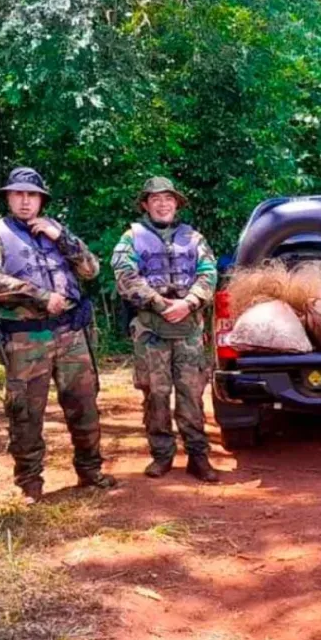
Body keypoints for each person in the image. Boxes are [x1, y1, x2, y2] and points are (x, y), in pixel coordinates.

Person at [0, 167, 116, 502]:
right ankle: (30, 484)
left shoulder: (56, 230)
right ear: (7, 197)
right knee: (25, 412)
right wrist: (39, 296)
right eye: (18, 194)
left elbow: (91, 270)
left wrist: (60, 237)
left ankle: (90, 472)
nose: (25, 201)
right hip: (25, 338)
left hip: (70, 333)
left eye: (32, 195)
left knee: (84, 405)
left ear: (41, 199)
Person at [111, 177, 219, 482]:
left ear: (176, 203)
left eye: (168, 199)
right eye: (155, 199)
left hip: (188, 329)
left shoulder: (194, 239)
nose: (162, 204)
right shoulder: (131, 238)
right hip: (151, 330)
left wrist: (189, 302)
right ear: (145, 204)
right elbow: (125, 276)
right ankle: (161, 455)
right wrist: (160, 303)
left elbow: (208, 274)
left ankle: (198, 456)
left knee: (192, 395)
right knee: (155, 395)